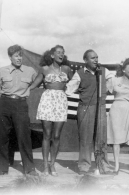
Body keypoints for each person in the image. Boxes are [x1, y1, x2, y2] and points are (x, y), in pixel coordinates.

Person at [0, 45, 38, 176]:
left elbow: (40, 79)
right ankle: (1, 168)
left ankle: (29, 168)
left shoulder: (30, 70)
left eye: (20, 55)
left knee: (24, 136)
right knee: (2, 137)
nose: (19, 58)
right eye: (16, 56)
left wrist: (29, 89)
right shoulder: (2, 71)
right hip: (4, 103)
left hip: (20, 104)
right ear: (10, 57)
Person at [65, 49, 114, 175]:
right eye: (92, 58)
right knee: (85, 139)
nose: (96, 60)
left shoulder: (104, 71)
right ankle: (84, 166)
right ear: (85, 60)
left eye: (97, 57)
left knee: (101, 138)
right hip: (85, 108)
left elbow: (113, 86)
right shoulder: (79, 73)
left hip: (101, 107)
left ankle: (103, 165)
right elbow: (68, 90)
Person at [30, 45, 73, 176]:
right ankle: (45, 166)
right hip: (47, 100)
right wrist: (19, 90)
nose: (61, 55)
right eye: (58, 52)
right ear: (52, 55)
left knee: (56, 136)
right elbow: (34, 85)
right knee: (47, 135)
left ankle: (52, 164)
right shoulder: (44, 69)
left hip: (61, 101)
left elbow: (76, 82)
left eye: (63, 53)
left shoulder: (66, 69)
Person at [107, 58, 129, 176]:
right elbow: (106, 91)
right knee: (116, 138)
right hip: (116, 110)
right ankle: (116, 166)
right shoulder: (114, 80)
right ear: (123, 69)